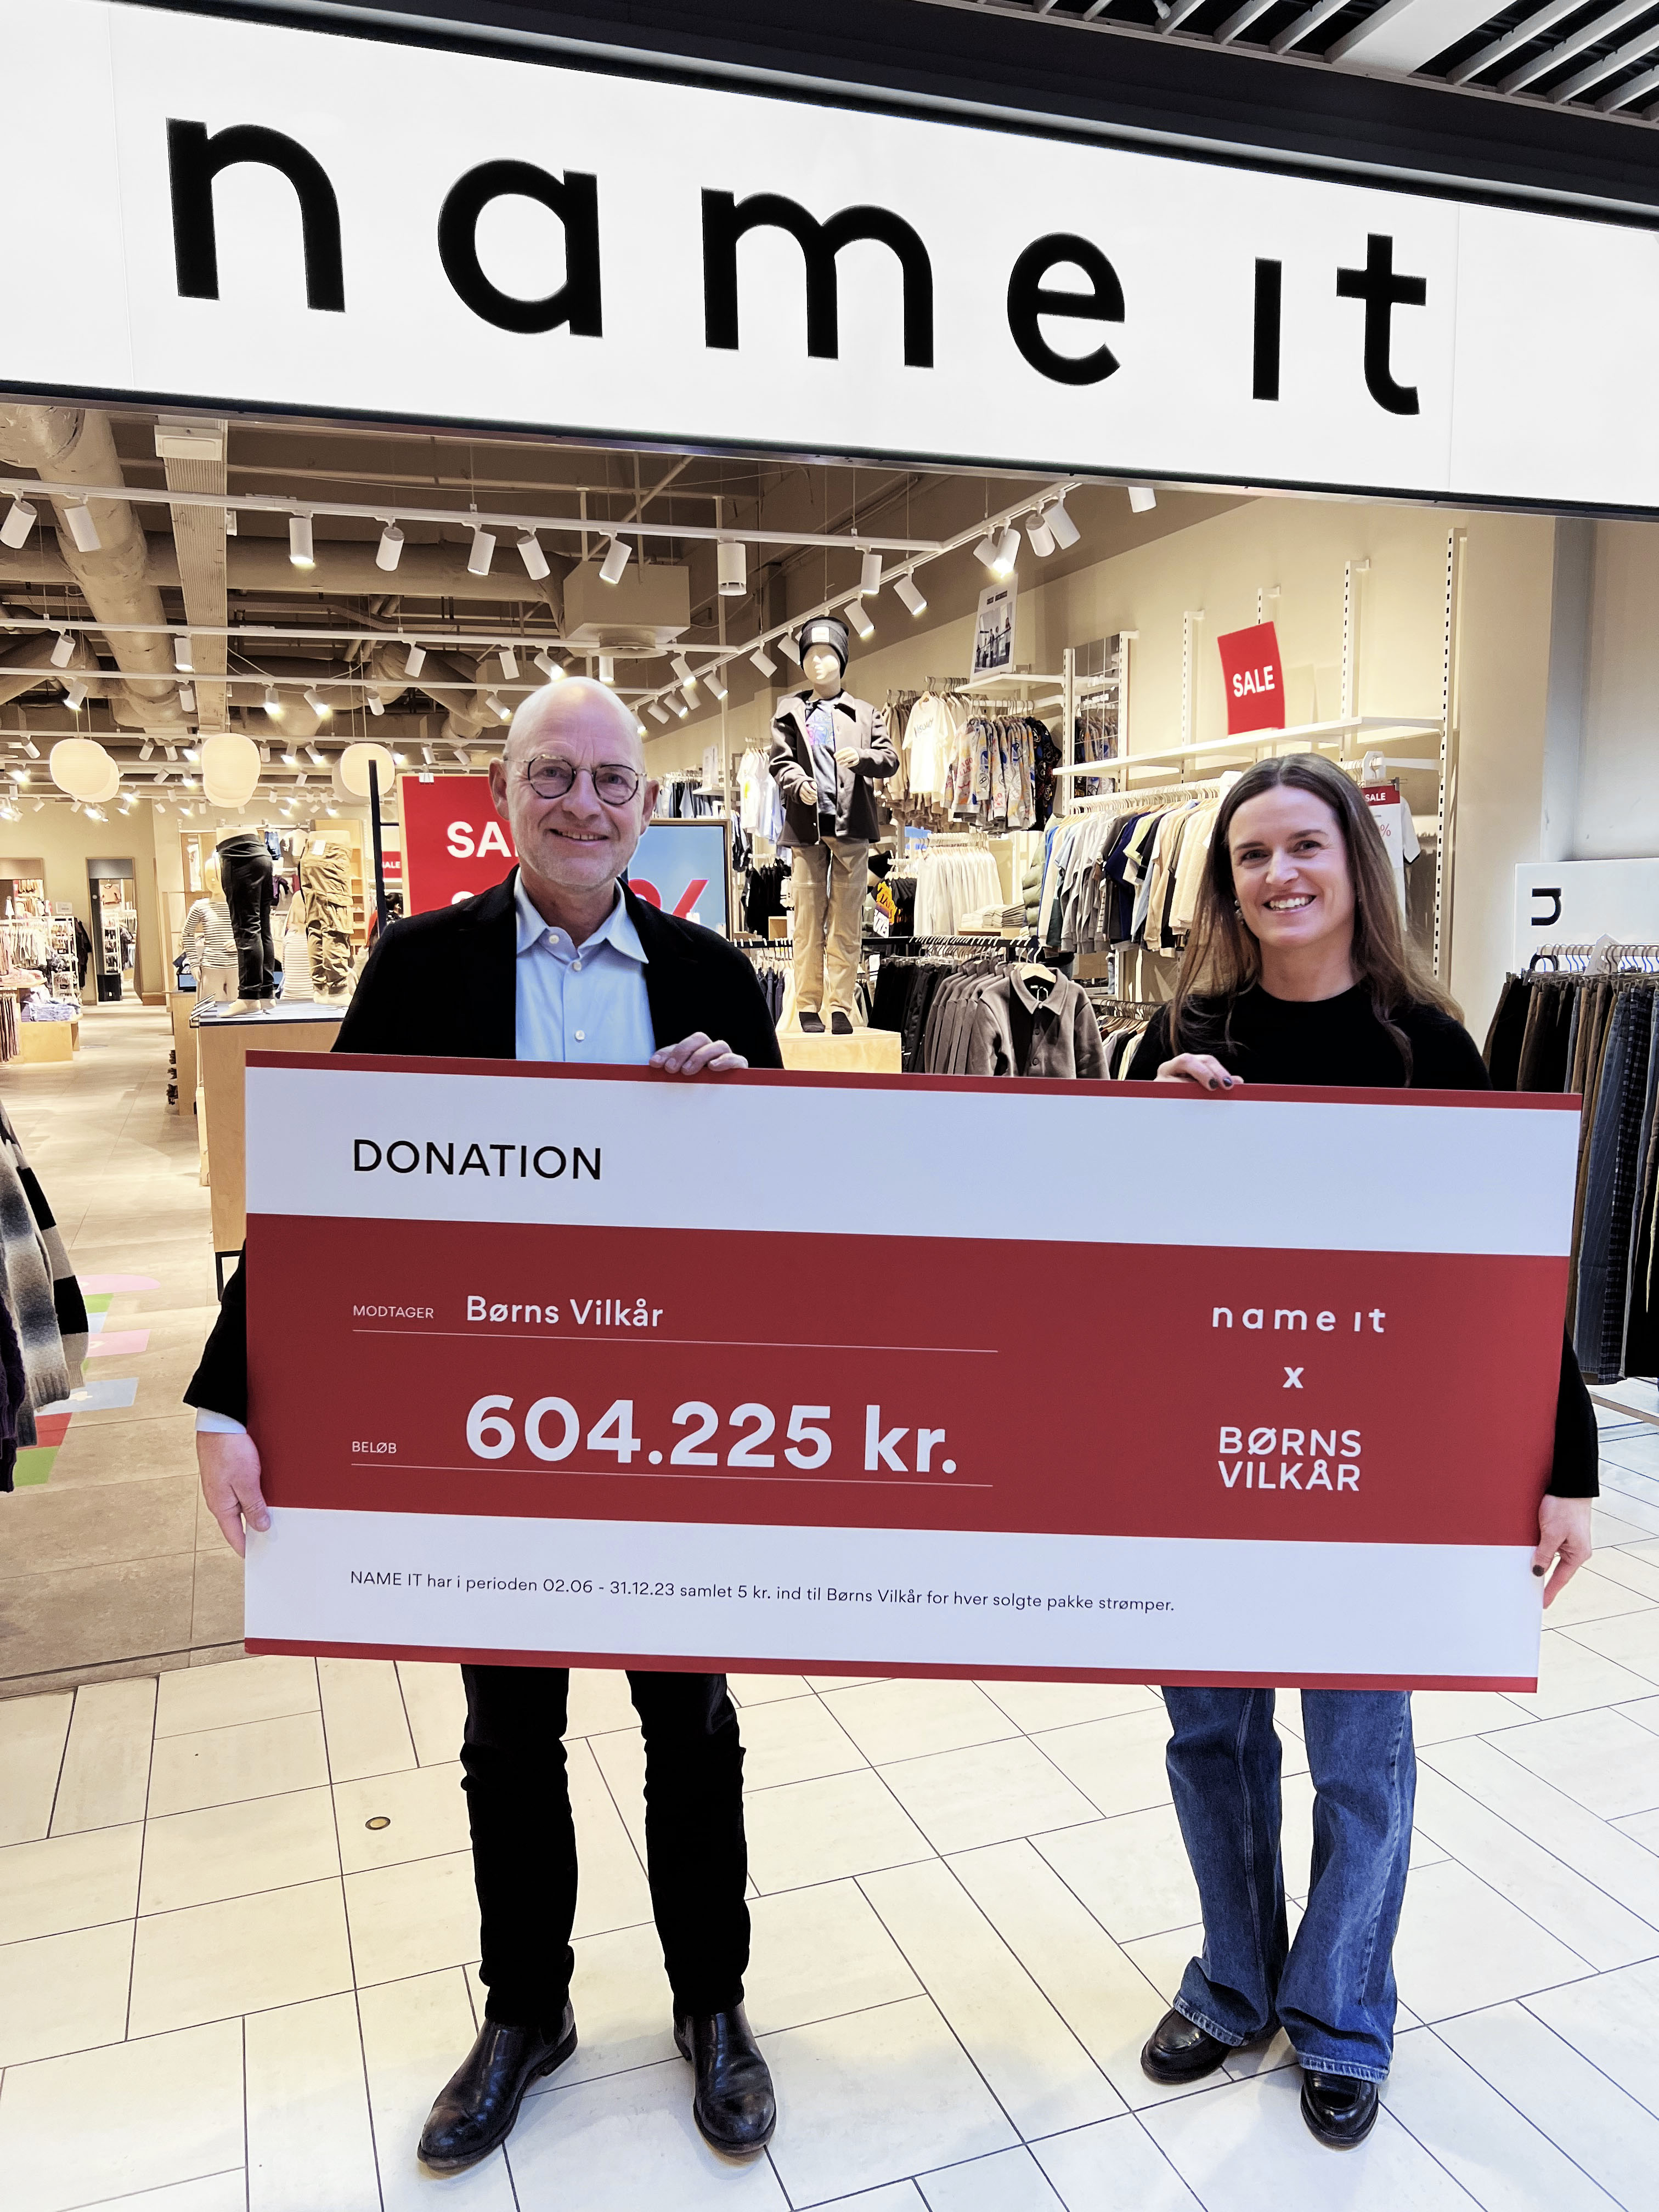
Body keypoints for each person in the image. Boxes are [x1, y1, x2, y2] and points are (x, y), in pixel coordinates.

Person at [186, 679, 782, 2173]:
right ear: (504, 796)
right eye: (553, 777)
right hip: (486, 1429)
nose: (585, 805)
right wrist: (228, 1393)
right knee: (509, 1732)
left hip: (666, 1426)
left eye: (613, 781)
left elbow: (793, 1218)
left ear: (648, 807)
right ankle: (527, 2010)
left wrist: (742, 1116)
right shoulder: (421, 965)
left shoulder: (715, 977)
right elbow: (321, 1198)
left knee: (690, 1723)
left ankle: (712, 2003)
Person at [1124, 754, 1597, 2151]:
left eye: (1305, 848)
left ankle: (1338, 2012)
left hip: (1374, 1465)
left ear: (1355, 867)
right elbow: (1105, 1257)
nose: (1279, 875)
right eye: (1252, 855)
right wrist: (1148, 1118)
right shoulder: (1177, 1038)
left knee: (1358, 1749)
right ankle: (1232, 1983)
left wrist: (1566, 1466)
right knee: (1211, 1736)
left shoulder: (1427, 1048)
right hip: (1200, 1452)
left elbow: (1513, 1277)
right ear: (1226, 884)